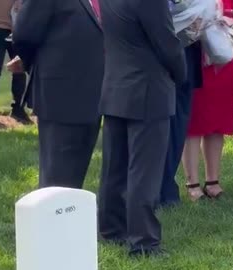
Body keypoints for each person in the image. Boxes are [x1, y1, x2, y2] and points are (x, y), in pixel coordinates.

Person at [97, 0, 186, 257]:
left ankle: (112, 229)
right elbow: (167, 44)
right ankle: (143, 242)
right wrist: (181, 74)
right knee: (144, 171)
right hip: (148, 89)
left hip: (116, 85)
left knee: (114, 167)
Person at [11, 0, 104, 188]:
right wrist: (35, 64)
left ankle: (70, 215)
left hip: (94, 95)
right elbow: (24, 34)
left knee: (75, 179)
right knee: (57, 180)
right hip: (59, 97)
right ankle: (52, 216)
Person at [181, 0, 233, 201]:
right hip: (197, 55)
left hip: (223, 55)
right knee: (195, 121)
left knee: (217, 121)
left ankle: (213, 180)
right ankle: (192, 182)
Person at [159, 44, 203, 206]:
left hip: (186, 60)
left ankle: (167, 188)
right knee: (167, 131)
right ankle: (161, 192)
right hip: (168, 63)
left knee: (177, 131)